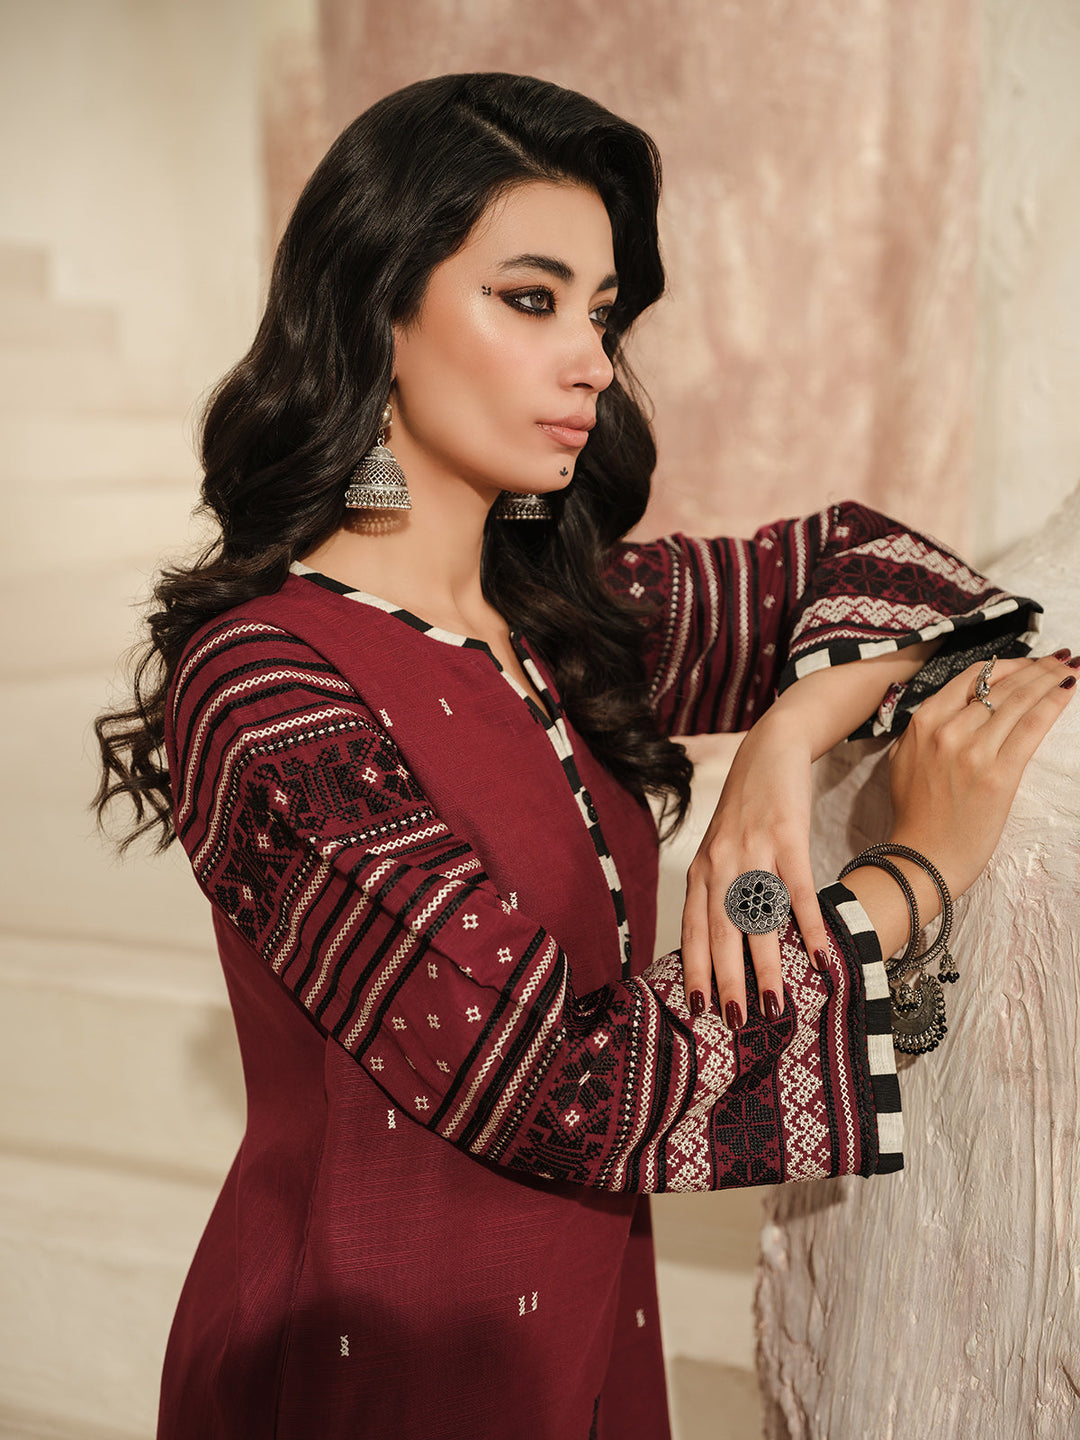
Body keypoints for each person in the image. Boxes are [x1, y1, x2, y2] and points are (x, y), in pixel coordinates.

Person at [94, 72, 1075, 1440]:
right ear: (377, 311)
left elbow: (897, 570)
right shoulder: (264, 685)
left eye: (602, 314)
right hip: (372, 1370)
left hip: (588, 1343)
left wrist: (785, 735)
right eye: (530, 299)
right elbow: (558, 1081)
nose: (593, 362)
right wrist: (916, 874)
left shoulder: (573, 622)